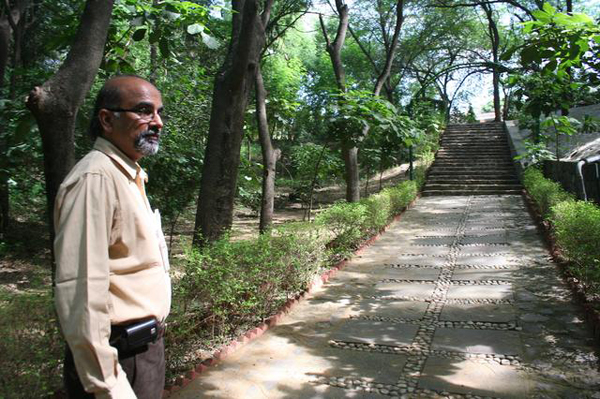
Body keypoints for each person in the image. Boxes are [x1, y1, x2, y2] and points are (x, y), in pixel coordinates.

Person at [53, 75, 171, 399]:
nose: (157, 122)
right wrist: (109, 386)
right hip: (119, 361)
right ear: (107, 119)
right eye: (144, 111)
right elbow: (81, 292)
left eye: (159, 112)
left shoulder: (127, 175)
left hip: (142, 352)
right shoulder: (96, 178)